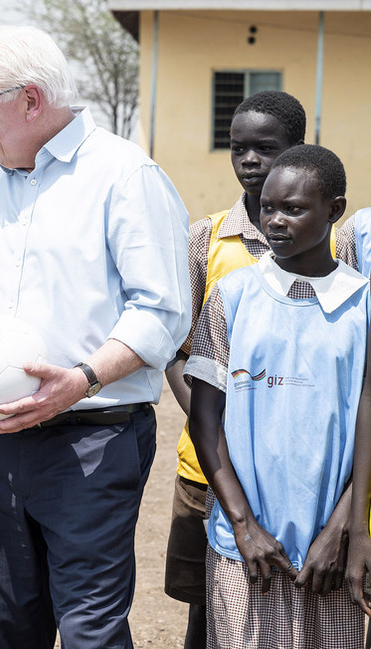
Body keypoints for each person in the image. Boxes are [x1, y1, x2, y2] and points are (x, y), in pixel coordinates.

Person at [0, 26, 191, 647]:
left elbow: (161, 310)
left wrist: (80, 381)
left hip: (94, 441)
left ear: (30, 99)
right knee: (1, 628)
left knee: (89, 630)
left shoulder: (126, 176)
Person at [161, 90, 358, 649]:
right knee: (215, 610)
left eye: (265, 148)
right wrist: (224, 419)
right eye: (238, 148)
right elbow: (182, 351)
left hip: (313, 486)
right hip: (213, 473)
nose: (249, 160)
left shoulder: (343, 256)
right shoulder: (208, 241)